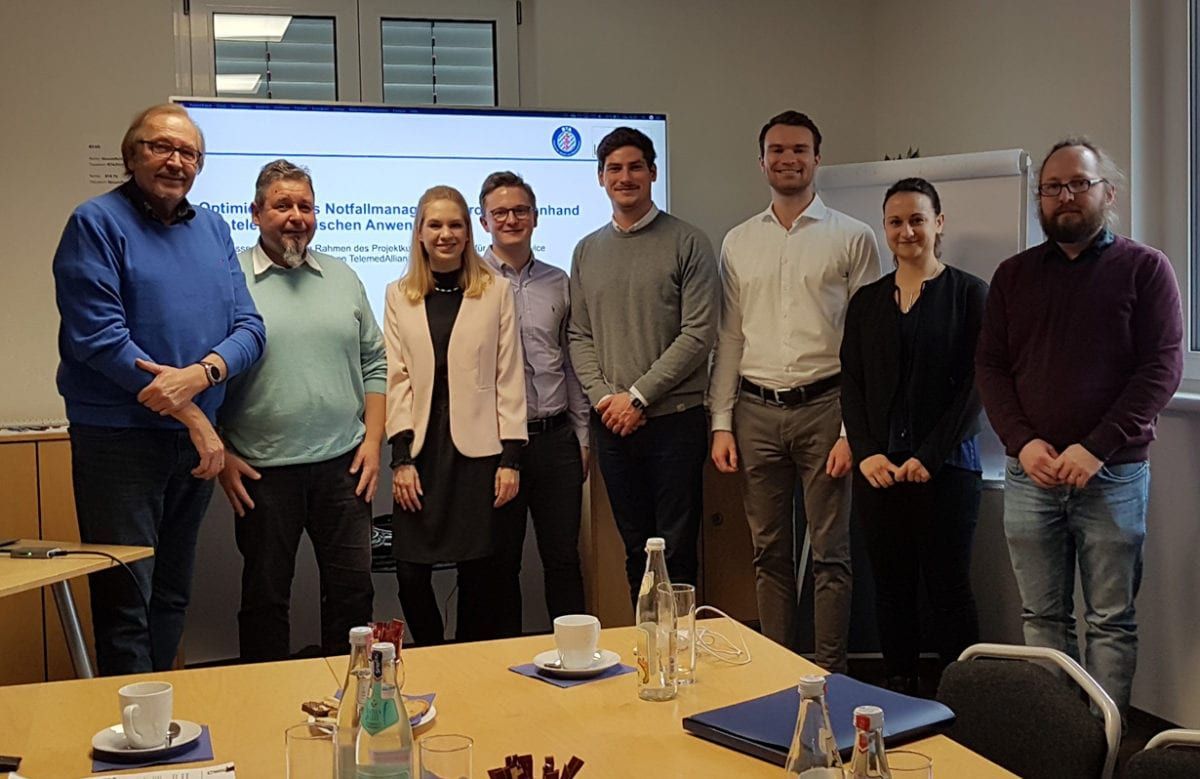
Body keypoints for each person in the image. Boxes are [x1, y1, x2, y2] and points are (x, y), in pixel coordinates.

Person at [52, 103, 265, 675]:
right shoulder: (95, 223)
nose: (175, 161)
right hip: (120, 442)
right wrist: (193, 415)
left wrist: (204, 373)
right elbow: (99, 338)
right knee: (126, 600)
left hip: (193, 444)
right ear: (131, 155)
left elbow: (250, 327)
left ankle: (163, 713)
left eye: (188, 152)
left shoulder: (214, 228)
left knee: (172, 594)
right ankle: (130, 726)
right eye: (160, 146)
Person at [976, 137, 1183, 712]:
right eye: (1052, 187)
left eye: (1078, 184)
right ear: (1039, 199)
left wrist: (1096, 448)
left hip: (1112, 476)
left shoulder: (1145, 269)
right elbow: (990, 367)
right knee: (1041, 619)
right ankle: (1057, 741)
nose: (1065, 195)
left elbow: (1161, 368)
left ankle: (1102, 746)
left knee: (1111, 623)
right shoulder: (1013, 276)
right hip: (1030, 475)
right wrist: (1023, 442)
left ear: (1107, 193)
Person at [708, 110, 879, 673]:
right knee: (768, 553)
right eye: (777, 150)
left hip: (827, 409)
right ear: (761, 163)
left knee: (831, 555)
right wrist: (722, 423)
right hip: (756, 411)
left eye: (799, 150)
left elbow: (866, 343)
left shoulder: (853, 237)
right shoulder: (738, 242)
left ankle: (830, 674)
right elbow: (730, 336)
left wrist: (853, 431)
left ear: (817, 158)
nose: (788, 159)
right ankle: (777, 673)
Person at [217, 160, 386, 662]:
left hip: (345, 467)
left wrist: (373, 442)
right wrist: (221, 454)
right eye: (282, 205)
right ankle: (266, 698)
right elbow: (202, 373)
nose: (296, 216)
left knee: (353, 596)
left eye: (305, 206)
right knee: (265, 599)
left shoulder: (342, 276)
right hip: (261, 471)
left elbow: (375, 362)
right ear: (255, 213)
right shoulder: (228, 281)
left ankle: (355, 696)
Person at [840, 177, 986, 693]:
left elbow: (976, 387)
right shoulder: (866, 302)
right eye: (896, 222)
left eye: (918, 220)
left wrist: (930, 455)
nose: (907, 231)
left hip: (948, 470)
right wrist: (866, 453)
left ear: (938, 223)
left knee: (949, 588)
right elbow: (852, 384)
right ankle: (899, 692)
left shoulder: (969, 294)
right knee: (891, 587)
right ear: (884, 228)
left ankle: (965, 699)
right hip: (879, 472)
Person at [568, 127, 718, 603]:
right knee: (635, 549)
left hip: (675, 422)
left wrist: (637, 398)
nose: (625, 177)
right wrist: (605, 400)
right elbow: (579, 335)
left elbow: (698, 334)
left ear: (653, 173)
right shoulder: (586, 250)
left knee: (677, 549)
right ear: (600, 178)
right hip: (612, 424)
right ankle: (648, 637)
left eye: (635, 167)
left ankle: (681, 640)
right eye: (614, 169)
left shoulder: (688, 242)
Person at [384, 185, 526, 645]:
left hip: (480, 453)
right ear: (420, 233)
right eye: (435, 225)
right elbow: (397, 378)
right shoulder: (398, 295)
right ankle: (430, 651)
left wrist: (511, 459)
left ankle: (466, 659)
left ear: (468, 233)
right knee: (409, 573)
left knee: (478, 574)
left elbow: (508, 375)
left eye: (455, 225)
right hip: (421, 451)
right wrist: (400, 459)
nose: (445, 234)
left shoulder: (496, 292)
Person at [479, 171, 589, 636]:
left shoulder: (559, 281)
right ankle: (503, 661)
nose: (511, 219)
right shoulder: (470, 282)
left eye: (520, 210)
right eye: (500, 212)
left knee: (563, 559)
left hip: (555, 438)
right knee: (499, 563)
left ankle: (577, 655)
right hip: (495, 445)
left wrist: (582, 435)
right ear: (484, 221)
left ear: (536, 217)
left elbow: (572, 361)